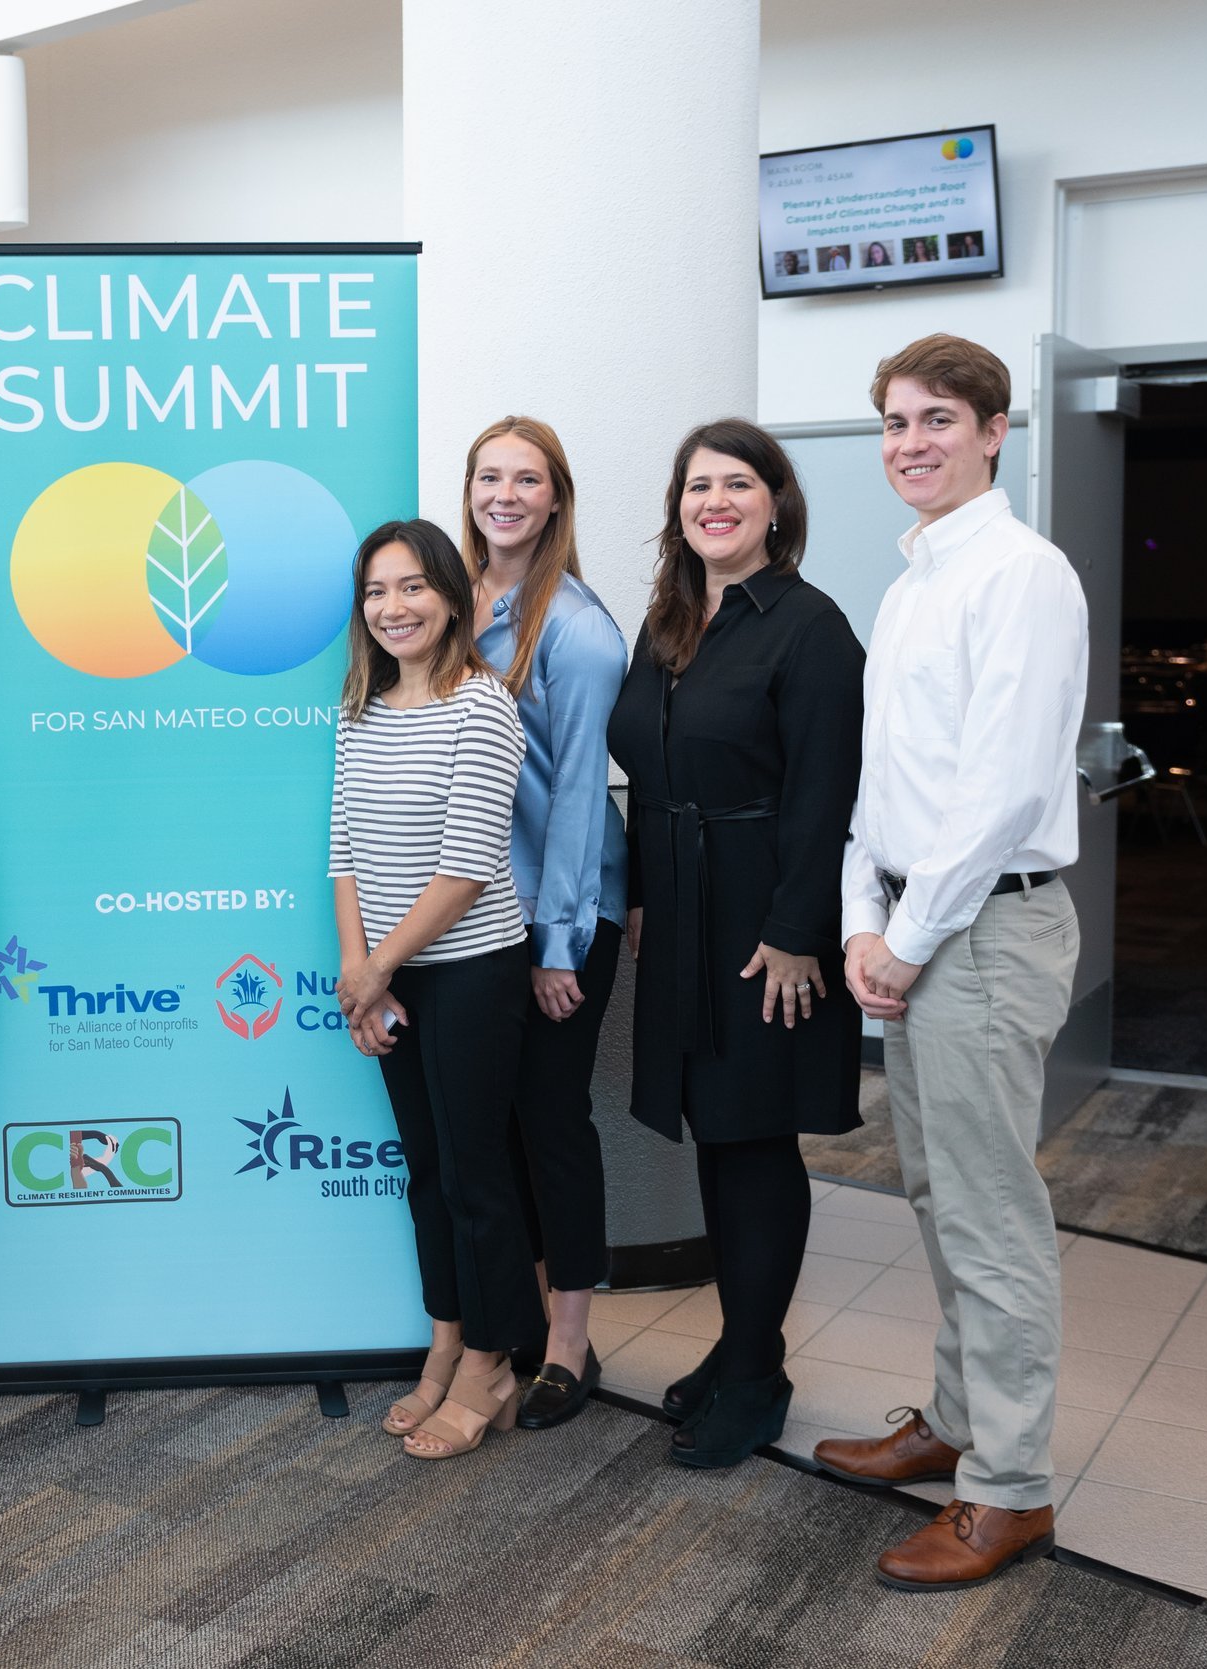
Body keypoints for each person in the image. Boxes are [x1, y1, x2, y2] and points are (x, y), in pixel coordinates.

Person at [817, 333, 1087, 1591]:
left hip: (984, 929)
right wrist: (861, 918)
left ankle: (1010, 1489)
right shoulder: (913, 578)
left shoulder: (1022, 575)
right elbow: (889, 785)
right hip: (920, 928)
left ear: (993, 431)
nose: (908, 443)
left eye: (935, 420)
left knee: (990, 1219)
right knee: (937, 1197)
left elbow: (995, 792)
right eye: (892, 423)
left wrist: (905, 940)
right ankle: (958, 1420)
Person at [607, 419, 865, 1470]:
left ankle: (756, 1374)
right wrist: (633, 898)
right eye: (697, 485)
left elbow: (825, 791)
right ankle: (738, 1341)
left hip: (766, 922)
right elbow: (647, 773)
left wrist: (799, 931)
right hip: (679, 905)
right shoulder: (669, 620)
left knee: (755, 1140)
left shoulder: (810, 626)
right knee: (717, 1130)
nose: (715, 500)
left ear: (775, 503)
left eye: (738, 484)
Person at [331, 517, 538, 1461]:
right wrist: (361, 972)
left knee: (476, 1177)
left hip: (469, 973)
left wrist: (377, 973)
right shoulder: (360, 708)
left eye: (412, 586)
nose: (393, 607)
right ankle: (447, 1338)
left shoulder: (483, 706)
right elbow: (343, 852)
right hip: (392, 977)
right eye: (377, 591)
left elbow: (465, 868)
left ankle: (493, 1364)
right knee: (428, 1176)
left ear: (452, 596)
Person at [459, 418, 627, 1430]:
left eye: (528, 479)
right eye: (490, 476)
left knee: (554, 1124)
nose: (506, 494)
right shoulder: (451, 597)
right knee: (499, 1125)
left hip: (559, 911)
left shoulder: (577, 626)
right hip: (479, 913)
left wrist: (560, 944)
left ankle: (569, 1343)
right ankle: (516, 1319)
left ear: (556, 497)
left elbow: (576, 799)